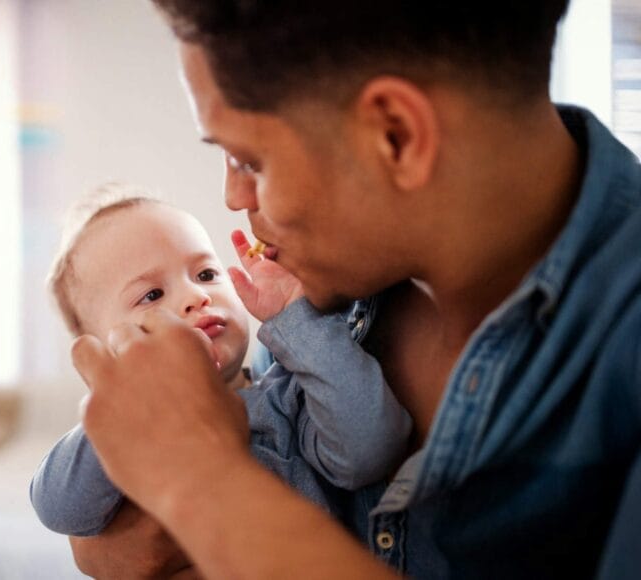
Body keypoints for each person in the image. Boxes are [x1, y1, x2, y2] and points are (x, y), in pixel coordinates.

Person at [67, 1, 641, 578]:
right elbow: (125, 541)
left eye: (249, 159)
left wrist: (205, 489)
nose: (234, 198)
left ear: (395, 135)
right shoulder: (333, 286)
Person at [29, 186, 411, 537]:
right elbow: (59, 509)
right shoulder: (126, 431)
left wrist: (295, 318)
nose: (196, 295)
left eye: (206, 273)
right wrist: (121, 400)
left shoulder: (288, 398)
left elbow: (370, 448)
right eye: (152, 295)